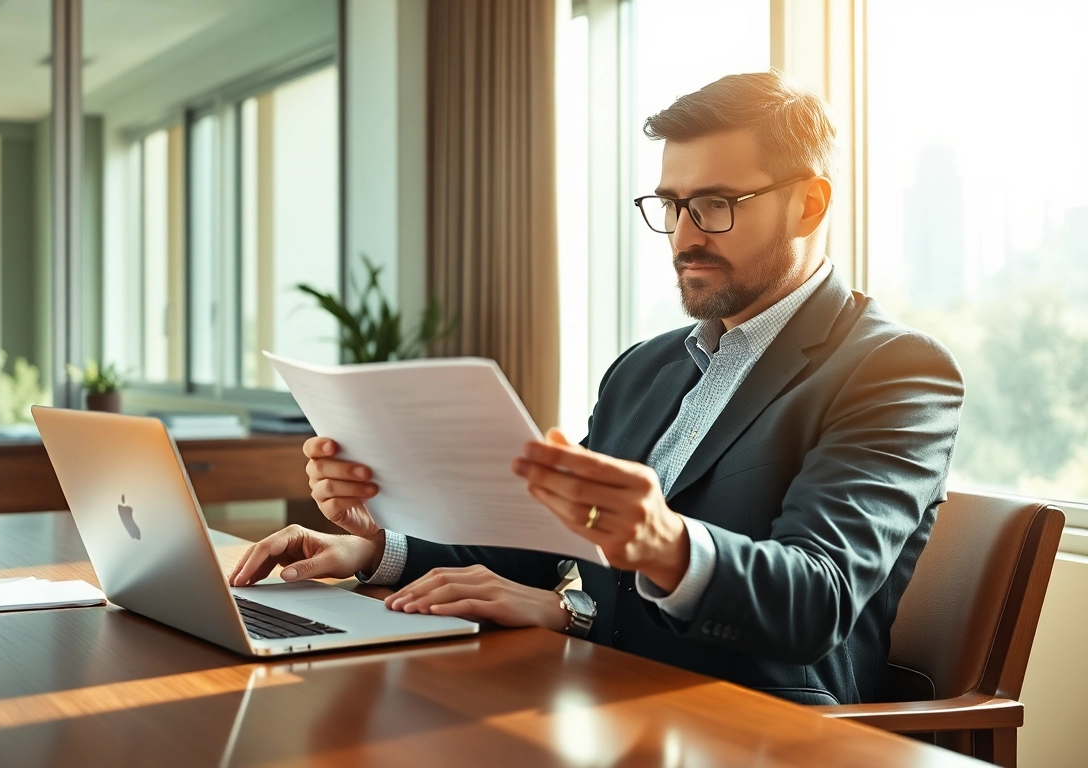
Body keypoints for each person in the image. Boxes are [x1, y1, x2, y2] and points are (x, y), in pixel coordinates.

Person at [230, 71, 963, 706]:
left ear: (809, 204)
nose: (683, 236)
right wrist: (379, 549)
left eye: (714, 204)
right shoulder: (645, 367)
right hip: (598, 696)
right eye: (670, 205)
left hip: (757, 727)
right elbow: (550, 544)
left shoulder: (895, 370)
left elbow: (814, 602)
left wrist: (653, 552)